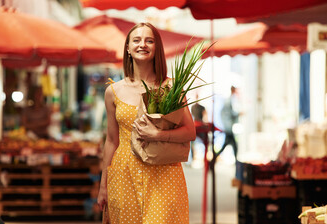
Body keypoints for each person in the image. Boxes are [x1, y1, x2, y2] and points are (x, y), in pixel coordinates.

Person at [97, 22, 196, 224]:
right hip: (123, 175)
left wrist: (159, 135)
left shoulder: (171, 88)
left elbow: (190, 131)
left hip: (164, 174)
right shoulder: (113, 92)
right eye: (137, 40)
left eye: (149, 40)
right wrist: (103, 186)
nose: (143, 44)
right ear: (128, 48)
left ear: (156, 48)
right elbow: (111, 141)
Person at [216, 86, 240, 161]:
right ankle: (237, 163)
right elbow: (230, 114)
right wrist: (239, 113)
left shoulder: (229, 100)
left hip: (228, 126)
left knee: (228, 145)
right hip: (228, 127)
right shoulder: (228, 101)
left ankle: (214, 158)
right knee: (234, 146)